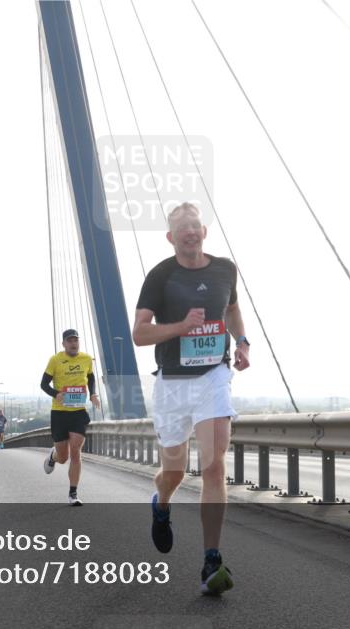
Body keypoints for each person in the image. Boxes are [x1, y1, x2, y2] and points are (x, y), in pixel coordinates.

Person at [132, 202, 250, 596]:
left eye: (195, 225)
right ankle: (161, 503)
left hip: (213, 379)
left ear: (204, 231)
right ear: (171, 237)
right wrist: (182, 327)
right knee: (175, 472)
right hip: (172, 386)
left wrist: (243, 342)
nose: (190, 231)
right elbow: (139, 333)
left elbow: (232, 310)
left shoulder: (225, 270)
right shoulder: (160, 276)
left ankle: (211, 560)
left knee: (214, 467)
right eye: (182, 227)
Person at [40, 329, 101, 506]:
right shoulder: (55, 360)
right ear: (64, 344)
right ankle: (53, 455)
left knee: (76, 450)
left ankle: (73, 494)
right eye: (70, 341)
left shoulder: (86, 359)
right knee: (63, 457)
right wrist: (55, 393)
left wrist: (93, 394)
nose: (73, 343)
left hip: (78, 412)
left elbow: (90, 378)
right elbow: (43, 384)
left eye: (76, 340)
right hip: (59, 413)